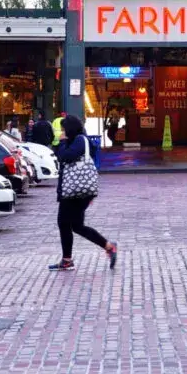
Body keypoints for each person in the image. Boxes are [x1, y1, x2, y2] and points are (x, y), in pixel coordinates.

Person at [49, 114, 117, 271]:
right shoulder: (75, 141)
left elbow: (65, 157)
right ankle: (108, 247)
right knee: (76, 226)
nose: (62, 132)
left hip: (76, 190)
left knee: (64, 222)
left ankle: (67, 260)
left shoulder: (79, 140)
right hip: (75, 190)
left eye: (64, 129)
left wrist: (63, 141)